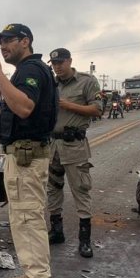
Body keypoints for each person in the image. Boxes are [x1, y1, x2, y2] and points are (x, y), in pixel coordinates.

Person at [0, 23, 58, 278]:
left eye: (8, 41)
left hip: (29, 158)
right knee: (22, 219)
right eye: (0, 42)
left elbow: (25, 107)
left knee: (28, 221)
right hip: (22, 156)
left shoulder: (31, 69)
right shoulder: (28, 70)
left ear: (25, 41)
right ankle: (32, 276)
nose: (3, 46)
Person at [45, 48, 103, 258]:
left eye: (61, 62)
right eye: (54, 63)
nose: (57, 67)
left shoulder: (87, 82)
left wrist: (66, 104)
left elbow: (97, 109)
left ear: (70, 61)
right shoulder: (51, 83)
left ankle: (84, 240)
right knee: (53, 188)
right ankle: (56, 231)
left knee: (81, 188)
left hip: (74, 144)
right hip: (53, 145)